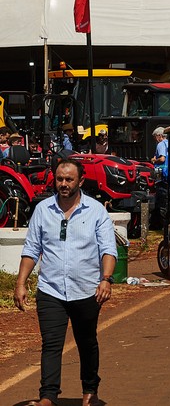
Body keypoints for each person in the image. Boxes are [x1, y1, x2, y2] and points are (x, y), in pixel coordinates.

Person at [14, 159, 116, 406]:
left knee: (87, 341)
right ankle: (48, 396)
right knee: (51, 343)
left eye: (69, 179)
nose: (63, 184)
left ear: (80, 181)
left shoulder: (95, 211)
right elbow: (31, 249)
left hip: (86, 290)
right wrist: (21, 283)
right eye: (60, 179)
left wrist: (106, 279)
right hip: (51, 289)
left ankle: (90, 391)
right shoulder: (43, 210)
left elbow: (108, 249)